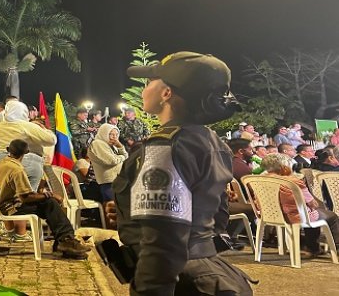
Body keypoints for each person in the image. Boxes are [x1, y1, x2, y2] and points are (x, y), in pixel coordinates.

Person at [113, 51, 253, 295]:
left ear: (166, 93)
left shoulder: (163, 147)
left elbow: (163, 244)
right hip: (210, 272)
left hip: (178, 279)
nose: (144, 90)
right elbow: (218, 217)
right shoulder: (213, 142)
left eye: (149, 83)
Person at [0, 139, 88, 258]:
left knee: (49, 204)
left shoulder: (2, 162)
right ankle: (65, 240)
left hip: (4, 203)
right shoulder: (17, 170)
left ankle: (64, 241)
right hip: (11, 207)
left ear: (8, 150)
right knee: (51, 204)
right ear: (26, 152)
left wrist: (44, 195)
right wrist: (50, 195)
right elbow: (25, 198)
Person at [258, 153, 339, 258]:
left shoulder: (259, 179)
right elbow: (312, 204)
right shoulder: (293, 181)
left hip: (270, 216)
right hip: (294, 217)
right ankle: (335, 247)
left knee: (308, 213)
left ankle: (313, 248)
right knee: (330, 216)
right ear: (284, 166)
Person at [0, 100, 55, 191]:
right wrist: (44, 129)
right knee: (32, 181)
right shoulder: (27, 126)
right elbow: (51, 140)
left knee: (5, 190)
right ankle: (28, 198)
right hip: (22, 162)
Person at [88, 123, 128, 203]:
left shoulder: (112, 145)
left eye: (116, 134)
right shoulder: (98, 143)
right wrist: (122, 157)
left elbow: (126, 155)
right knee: (112, 207)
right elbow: (111, 161)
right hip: (109, 182)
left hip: (117, 181)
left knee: (117, 208)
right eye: (111, 134)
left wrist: (120, 146)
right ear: (104, 133)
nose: (114, 137)